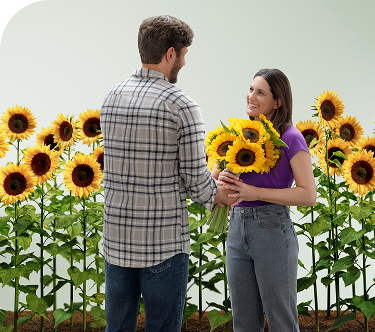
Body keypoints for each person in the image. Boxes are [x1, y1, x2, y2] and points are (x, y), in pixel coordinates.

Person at [100, 15, 234, 332]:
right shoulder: (181, 104)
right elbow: (194, 178)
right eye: (184, 55)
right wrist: (218, 193)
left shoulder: (111, 97)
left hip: (117, 240)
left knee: (117, 327)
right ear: (170, 54)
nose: (184, 63)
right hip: (162, 244)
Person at [212, 68, 317, 332]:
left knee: (281, 322)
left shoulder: (291, 138)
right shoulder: (239, 134)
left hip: (272, 229)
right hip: (236, 229)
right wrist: (220, 180)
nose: (252, 96)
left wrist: (253, 192)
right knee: (244, 324)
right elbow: (210, 182)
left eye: (261, 92)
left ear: (277, 101)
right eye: (251, 89)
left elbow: (308, 194)